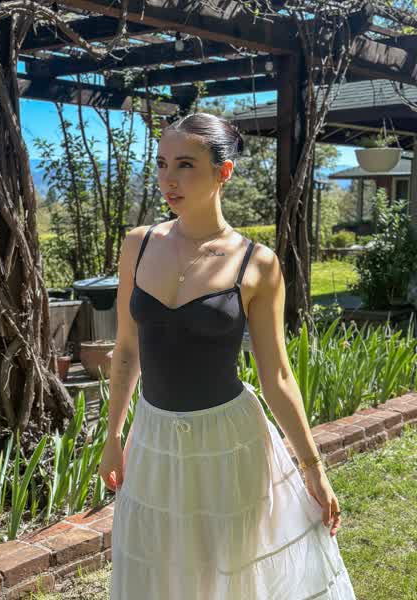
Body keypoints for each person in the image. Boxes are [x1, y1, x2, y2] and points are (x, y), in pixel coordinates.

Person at [99, 112, 356, 599]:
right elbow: (127, 351)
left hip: (230, 443)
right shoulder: (139, 246)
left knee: (230, 574)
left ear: (224, 172)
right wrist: (113, 436)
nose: (169, 179)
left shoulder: (256, 264)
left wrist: (313, 469)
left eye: (185, 165)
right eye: (161, 164)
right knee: (159, 571)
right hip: (153, 439)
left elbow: (278, 376)